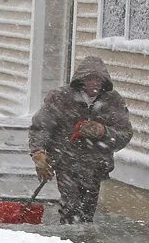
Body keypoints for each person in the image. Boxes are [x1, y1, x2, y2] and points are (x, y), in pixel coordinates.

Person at [28, 56, 133, 224]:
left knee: (87, 211)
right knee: (70, 207)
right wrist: (38, 152)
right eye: (90, 79)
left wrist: (103, 131)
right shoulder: (60, 98)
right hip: (65, 161)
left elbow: (124, 134)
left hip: (95, 166)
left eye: (98, 79)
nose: (95, 83)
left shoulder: (112, 101)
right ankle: (69, 236)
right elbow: (41, 127)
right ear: (81, 80)